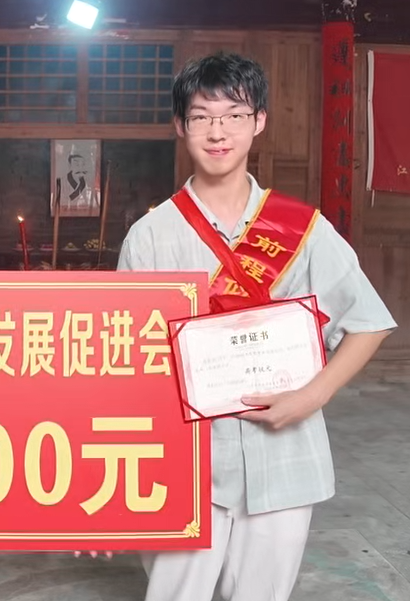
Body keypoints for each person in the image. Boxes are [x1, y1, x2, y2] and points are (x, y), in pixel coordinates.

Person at [111, 52, 396, 600]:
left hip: (285, 455)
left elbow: (368, 323)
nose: (218, 132)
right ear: (180, 126)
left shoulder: (302, 229)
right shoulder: (150, 236)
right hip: (185, 464)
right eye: (201, 116)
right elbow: (130, 353)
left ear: (259, 120)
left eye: (234, 115)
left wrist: (312, 396)